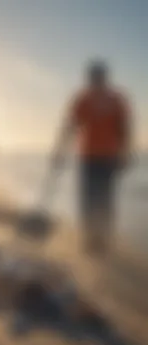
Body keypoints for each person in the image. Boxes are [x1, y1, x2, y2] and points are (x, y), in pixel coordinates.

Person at [52, 60, 133, 254]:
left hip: (108, 157)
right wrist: (60, 151)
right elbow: (71, 126)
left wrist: (125, 153)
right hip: (88, 156)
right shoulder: (83, 99)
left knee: (104, 198)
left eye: (98, 76)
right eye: (93, 77)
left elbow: (124, 129)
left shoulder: (116, 99)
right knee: (89, 198)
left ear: (104, 78)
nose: (95, 80)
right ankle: (91, 239)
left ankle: (102, 239)